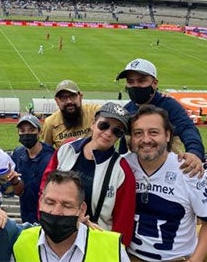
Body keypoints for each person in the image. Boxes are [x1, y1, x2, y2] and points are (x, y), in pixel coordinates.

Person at [125, 104, 207, 261]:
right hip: (131, 256)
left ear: (168, 135)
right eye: (138, 133)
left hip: (174, 258)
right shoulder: (123, 165)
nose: (146, 139)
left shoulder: (188, 170)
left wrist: (195, 259)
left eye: (154, 132)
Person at [41, 102, 135, 247]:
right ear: (92, 124)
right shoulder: (67, 149)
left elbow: (124, 222)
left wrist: (115, 250)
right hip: (56, 235)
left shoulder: (122, 170)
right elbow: (45, 189)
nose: (108, 133)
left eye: (117, 131)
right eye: (104, 125)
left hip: (96, 244)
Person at [12, 170, 129, 262]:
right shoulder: (21, 243)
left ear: (82, 210)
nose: (57, 212)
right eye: (50, 203)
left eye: (67, 205)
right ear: (41, 203)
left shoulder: (112, 248)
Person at [116, 58, 205, 176]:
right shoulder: (127, 109)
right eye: (130, 82)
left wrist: (194, 152)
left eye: (142, 81)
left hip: (167, 173)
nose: (135, 86)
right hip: (136, 173)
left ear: (155, 83)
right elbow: (123, 143)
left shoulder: (169, 105)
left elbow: (187, 128)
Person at [11, 114, 54, 224]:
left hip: (47, 212)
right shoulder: (17, 154)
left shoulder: (51, 156)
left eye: (31, 130)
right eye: (22, 130)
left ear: (39, 132)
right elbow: (16, 190)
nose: (26, 134)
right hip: (26, 212)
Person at [41, 79, 100, 149]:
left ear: (80, 97)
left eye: (73, 96)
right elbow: (46, 152)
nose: (69, 101)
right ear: (57, 101)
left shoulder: (94, 112)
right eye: (63, 98)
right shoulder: (50, 123)